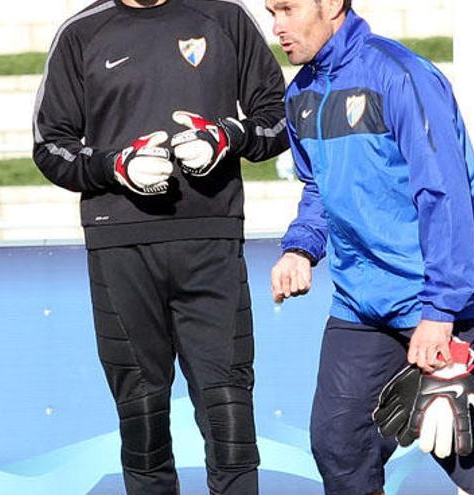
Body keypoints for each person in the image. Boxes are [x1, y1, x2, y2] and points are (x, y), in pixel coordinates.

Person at [263, 1, 474, 494]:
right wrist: (301, 247)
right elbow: (318, 187)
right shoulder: (300, 93)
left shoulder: (401, 76)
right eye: (270, 11)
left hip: (433, 299)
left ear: (332, 5)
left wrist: (440, 310)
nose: (276, 26)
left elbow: (445, 195)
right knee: (338, 444)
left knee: (459, 449)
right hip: (360, 304)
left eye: (288, 9)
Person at [32, 0, 288, 493]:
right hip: (120, 248)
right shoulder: (81, 32)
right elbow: (50, 144)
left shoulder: (224, 17)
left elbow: (277, 117)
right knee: (142, 419)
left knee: (229, 414)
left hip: (210, 242)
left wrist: (226, 136)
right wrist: (115, 166)